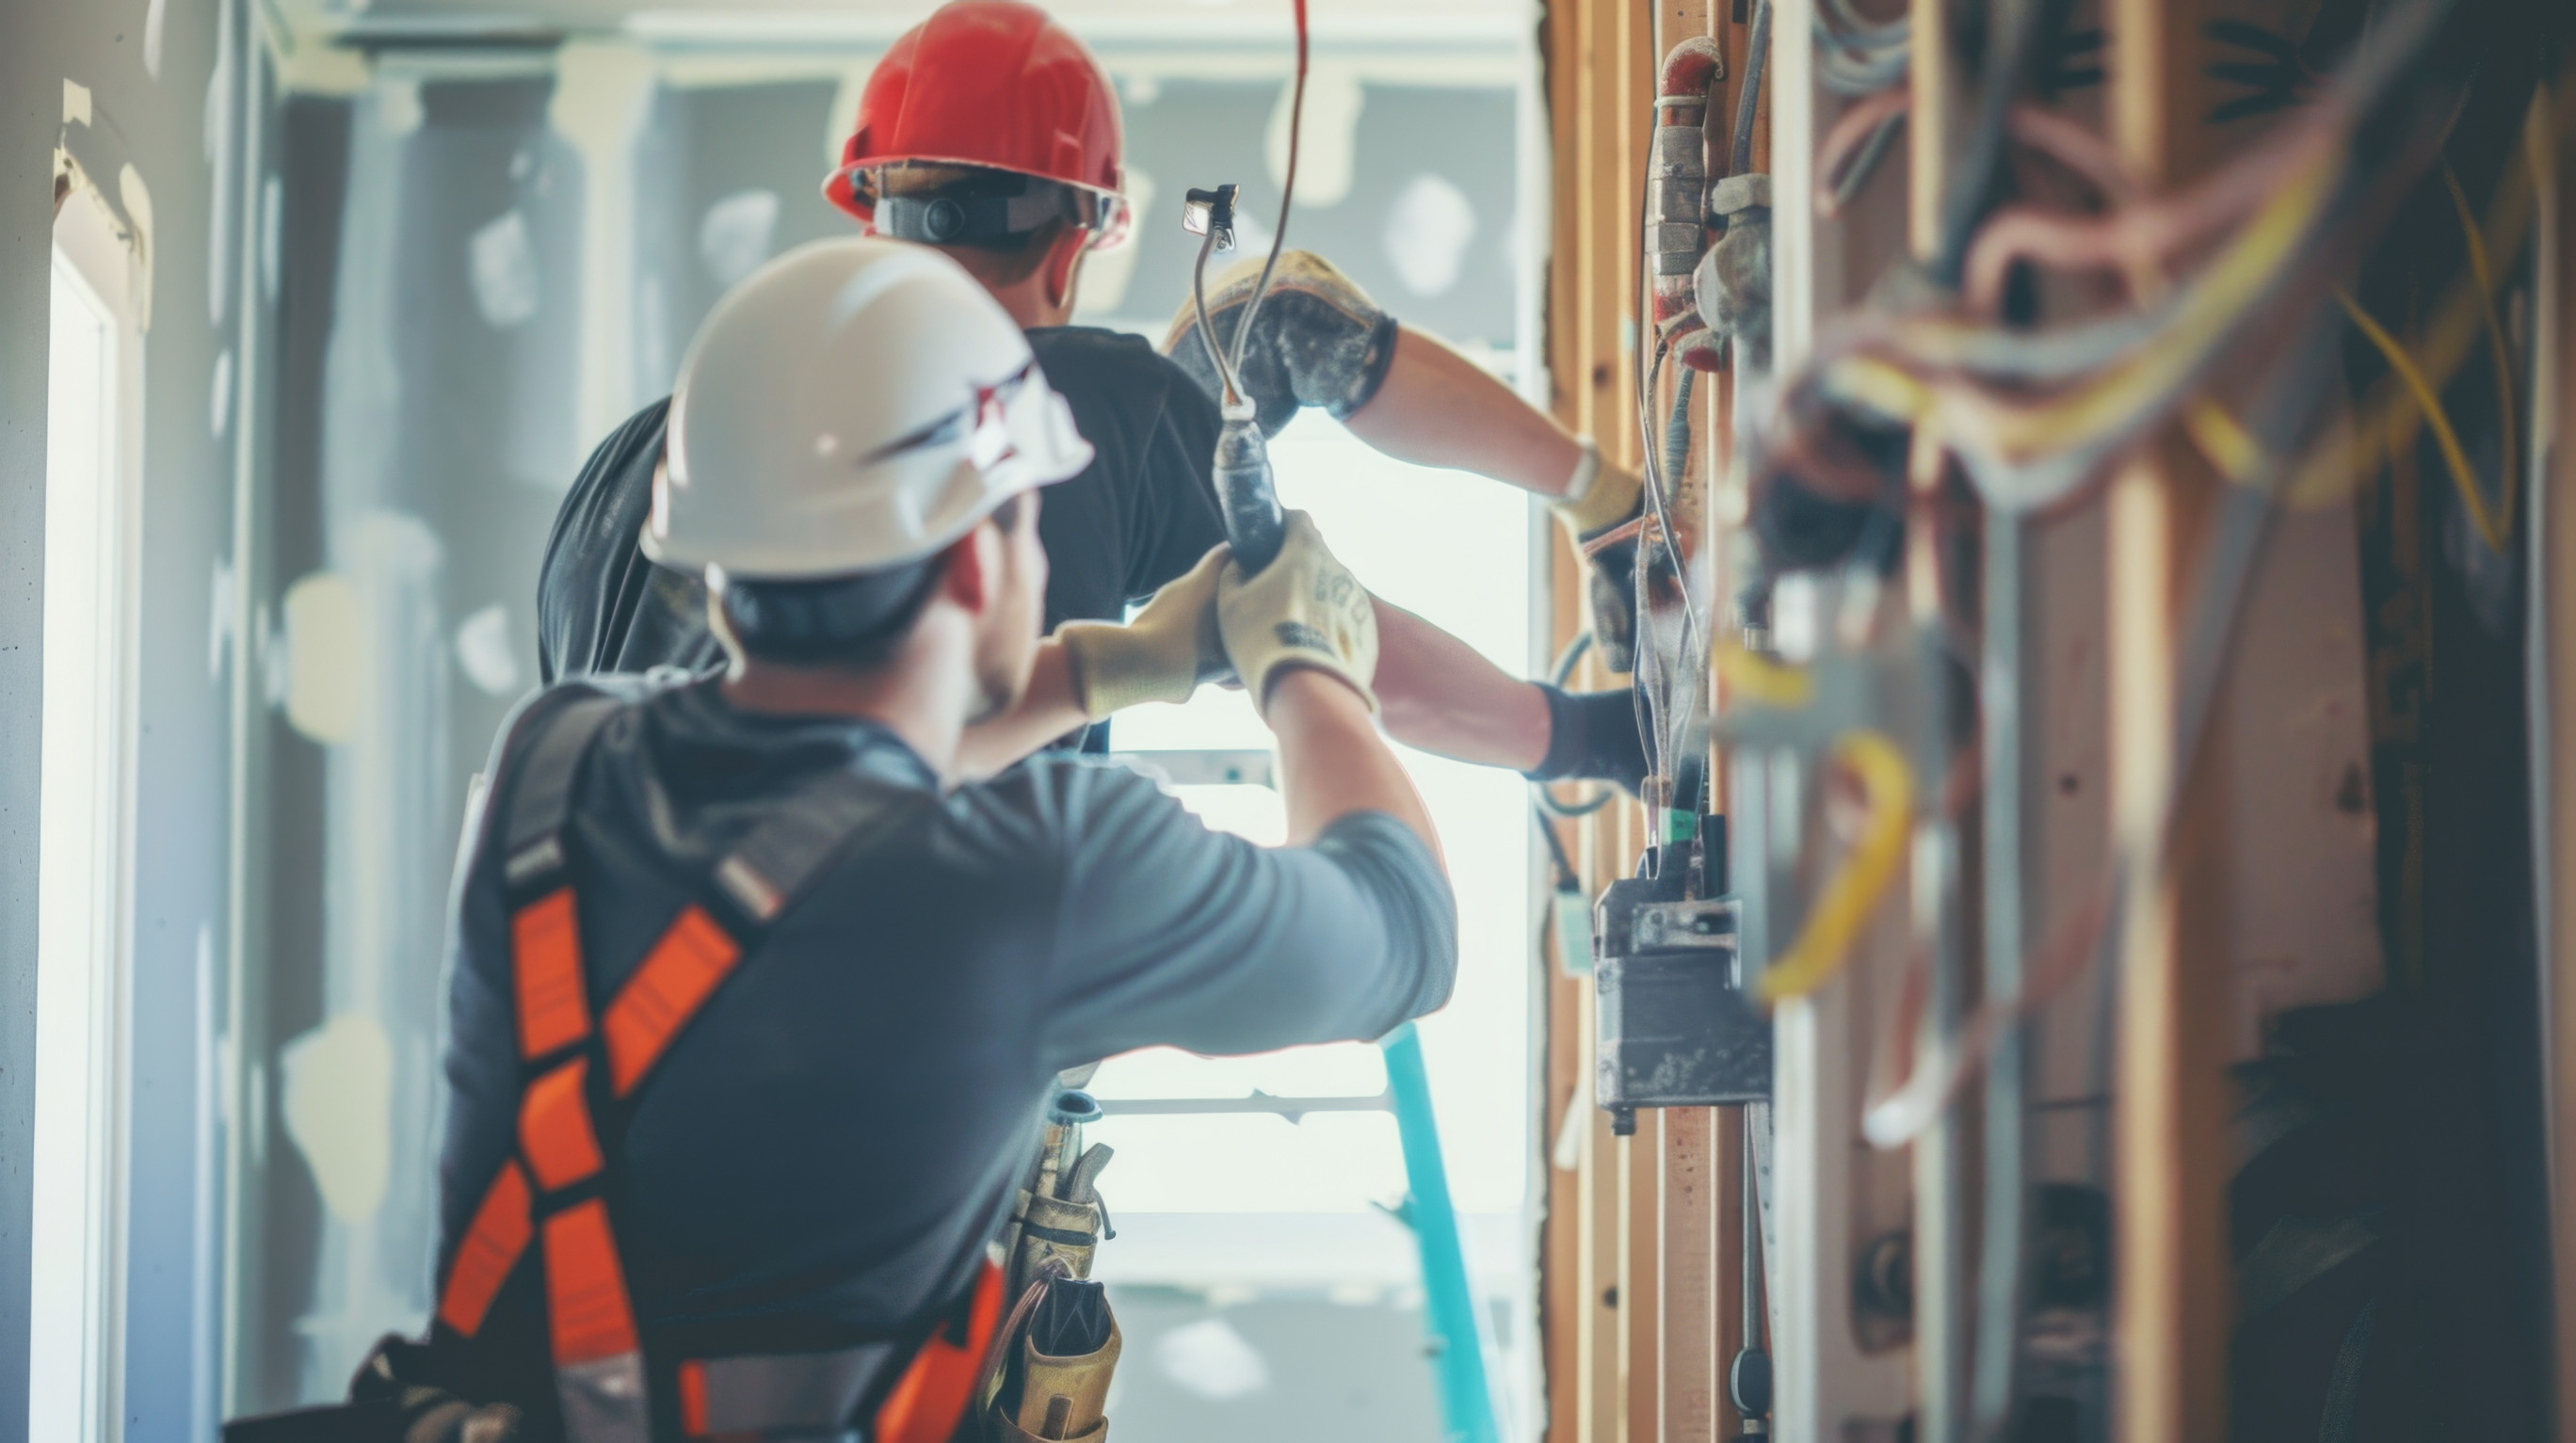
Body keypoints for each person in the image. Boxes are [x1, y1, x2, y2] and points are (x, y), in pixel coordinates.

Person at [411, 239, 1455, 1443]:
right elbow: (1406, 929)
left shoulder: (554, 763)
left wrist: (1122, 664)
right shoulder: (1046, 869)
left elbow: (833, 784)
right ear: (973, 555)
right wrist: (1306, 667)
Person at [536, 0, 1649, 794]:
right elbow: (1321, 629)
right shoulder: (1072, 402)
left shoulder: (631, 464)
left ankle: (1604, 507)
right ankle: (1609, 502)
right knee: (1275, 314)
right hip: (938, 1021)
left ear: (868, 213)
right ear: (1074, 246)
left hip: (622, 1040)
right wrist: (1592, 738)